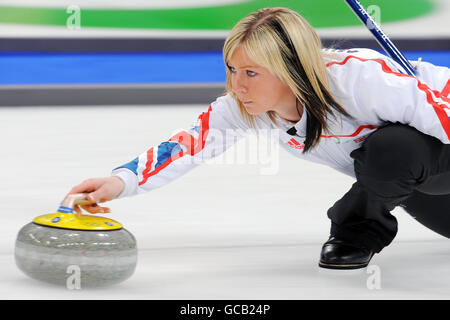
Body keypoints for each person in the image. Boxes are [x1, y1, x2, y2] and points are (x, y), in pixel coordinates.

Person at [68, 7, 450, 270]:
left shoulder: (360, 80)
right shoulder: (243, 107)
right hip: (416, 183)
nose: (236, 85)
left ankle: (356, 233)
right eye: (233, 69)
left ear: (292, 69)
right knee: (385, 157)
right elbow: (186, 145)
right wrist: (120, 182)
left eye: (252, 73)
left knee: (393, 146)